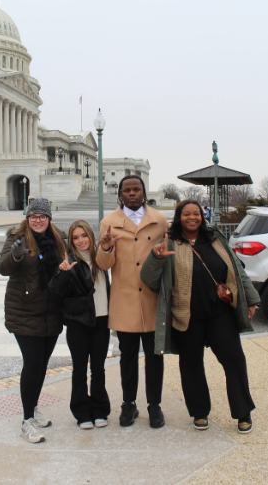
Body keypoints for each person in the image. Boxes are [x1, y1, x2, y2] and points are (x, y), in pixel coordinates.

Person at [140, 200, 262, 434]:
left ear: (202, 216)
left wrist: (252, 299)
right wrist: (157, 258)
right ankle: (199, 412)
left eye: (196, 213)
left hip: (219, 313)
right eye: (186, 214)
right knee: (191, 364)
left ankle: (242, 412)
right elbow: (148, 279)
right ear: (179, 217)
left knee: (234, 360)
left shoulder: (215, 239)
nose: (192, 217)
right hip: (187, 315)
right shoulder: (169, 243)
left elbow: (237, 270)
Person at [95, 175, 170, 428]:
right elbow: (103, 265)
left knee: (154, 356)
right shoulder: (109, 222)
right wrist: (105, 249)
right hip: (124, 299)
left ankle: (154, 405)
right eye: (126, 190)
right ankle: (128, 405)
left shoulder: (159, 220)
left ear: (143, 191)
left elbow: (169, 254)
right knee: (127, 356)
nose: (132, 194)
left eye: (136, 189)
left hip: (152, 298)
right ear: (120, 194)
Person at [0, 198, 67, 443]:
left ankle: (33, 407)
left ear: (49, 219)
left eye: (43, 216)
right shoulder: (16, 237)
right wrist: (15, 256)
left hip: (51, 311)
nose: (38, 220)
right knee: (33, 362)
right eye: (34, 216)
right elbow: (3, 268)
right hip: (24, 311)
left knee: (42, 364)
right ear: (27, 218)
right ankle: (27, 420)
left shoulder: (58, 239)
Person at [49, 220, 112, 429]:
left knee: (99, 368)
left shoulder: (100, 257)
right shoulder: (68, 260)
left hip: (102, 319)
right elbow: (57, 291)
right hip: (78, 321)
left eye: (83, 236)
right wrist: (63, 273)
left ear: (90, 236)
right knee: (79, 369)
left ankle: (100, 410)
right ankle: (82, 412)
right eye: (75, 237)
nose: (80, 241)